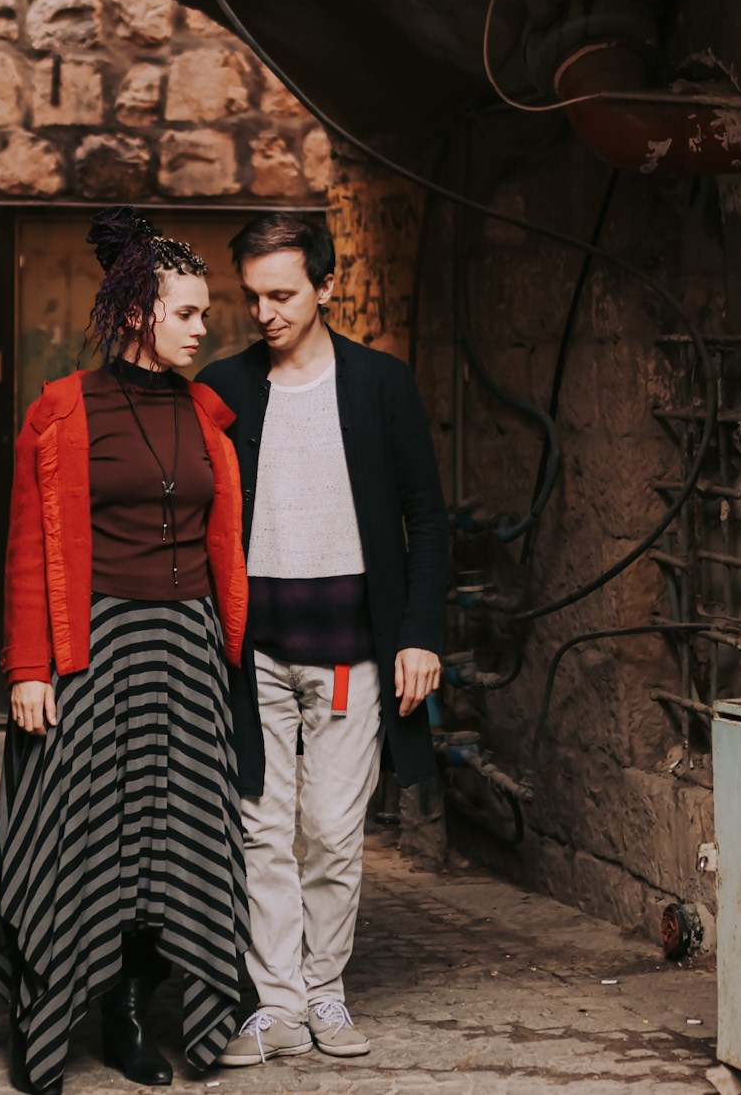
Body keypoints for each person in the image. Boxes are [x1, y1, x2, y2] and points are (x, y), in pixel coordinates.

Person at [0, 208, 252, 1095]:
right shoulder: (62, 410)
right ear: (139, 313)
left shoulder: (209, 412)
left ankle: (131, 1016)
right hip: (90, 652)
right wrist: (26, 668)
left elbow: (222, 538)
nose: (204, 327)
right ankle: (45, 1013)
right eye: (189, 313)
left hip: (186, 653)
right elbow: (27, 547)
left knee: (170, 842)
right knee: (78, 837)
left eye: (206, 314)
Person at [197, 212, 447, 1067]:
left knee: (334, 832)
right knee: (261, 827)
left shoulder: (382, 384)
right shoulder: (225, 387)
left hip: (353, 654)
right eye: (253, 296)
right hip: (255, 652)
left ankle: (325, 988)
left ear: (327, 287)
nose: (264, 311)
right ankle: (275, 1003)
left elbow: (428, 519)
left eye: (283, 294)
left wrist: (418, 635)